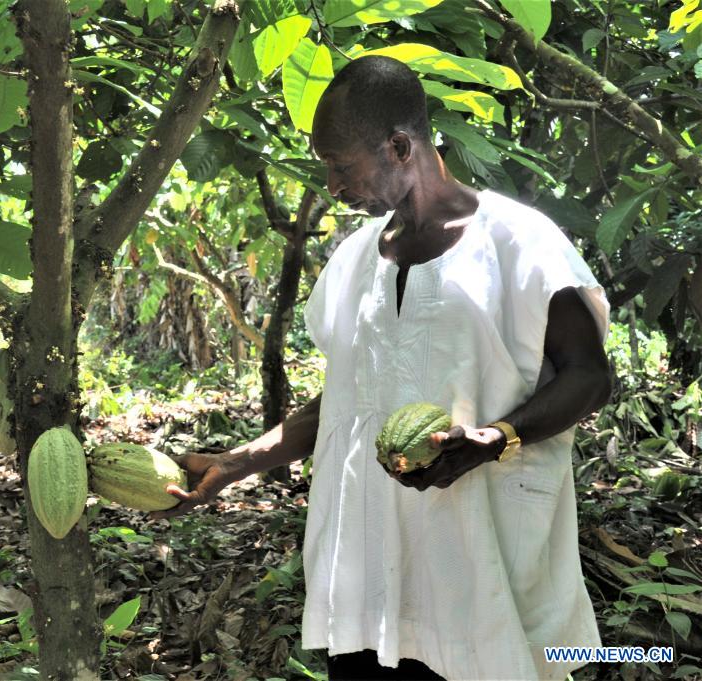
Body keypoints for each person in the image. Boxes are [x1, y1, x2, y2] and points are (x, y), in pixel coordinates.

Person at [150, 55, 613, 681]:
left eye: (341, 166)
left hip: (480, 561)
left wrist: (496, 437)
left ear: (399, 147)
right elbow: (349, 398)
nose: (333, 187)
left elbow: (589, 377)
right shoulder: (354, 261)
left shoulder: (520, 244)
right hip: (370, 577)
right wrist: (234, 465)